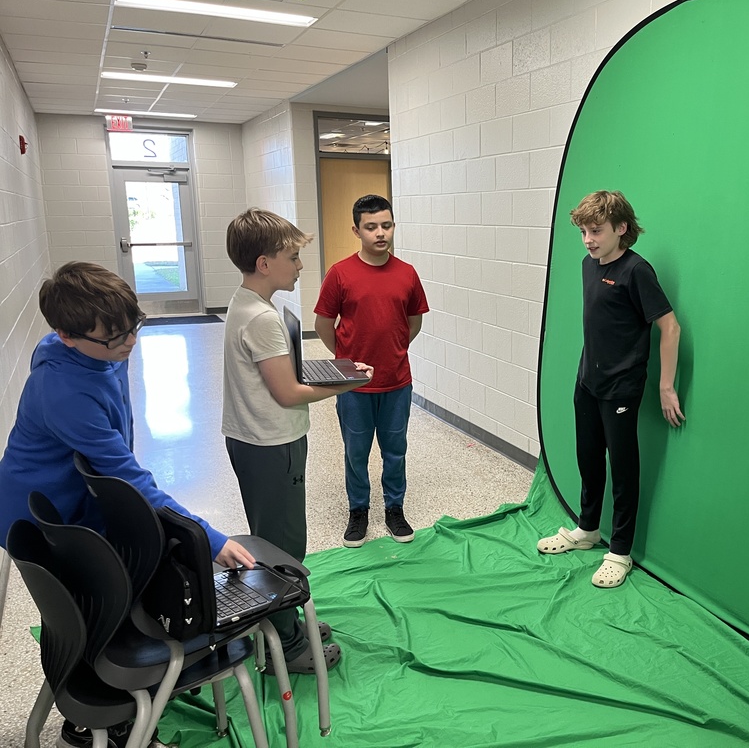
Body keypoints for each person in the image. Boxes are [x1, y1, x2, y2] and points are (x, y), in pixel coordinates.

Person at [0, 261, 255, 748]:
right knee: (88, 615)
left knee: (112, 599)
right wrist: (211, 537)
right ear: (66, 336)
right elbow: (129, 477)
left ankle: (103, 711)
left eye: (132, 328)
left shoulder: (94, 347)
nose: (128, 346)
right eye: (113, 340)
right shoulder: (64, 393)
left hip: (81, 499)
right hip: (41, 515)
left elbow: (117, 457)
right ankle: (102, 725)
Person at [222, 208, 372, 676]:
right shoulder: (263, 320)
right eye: (292, 257)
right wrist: (348, 383)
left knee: (272, 539)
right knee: (285, 548)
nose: (301, 266)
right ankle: (286, 647)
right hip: (271, 444)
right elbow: (287, 392)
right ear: (264, 263)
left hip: (251, 440)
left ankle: (280, 625)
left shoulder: (245, 303)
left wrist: (327, 374)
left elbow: (277, 377)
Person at [537, 190, 684, 588]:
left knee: (622, 468)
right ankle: (587, 530)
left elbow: (670, 327)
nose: (588, 239)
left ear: (621, 228)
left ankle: (619, 551)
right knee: (588, 457)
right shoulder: (589, 265)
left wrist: (665, 387)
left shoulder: (637, 271)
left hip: (621, 387)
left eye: (597, 230)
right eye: (583, 231)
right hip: (588, 380)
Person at [314, 194, 429, 548]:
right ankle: (358, 511)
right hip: (354, 388)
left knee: (395, 450)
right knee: (356, 452)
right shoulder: (341, 273)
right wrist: (346, 362)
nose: (381, 233)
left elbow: (413, 322)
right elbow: (322, 324)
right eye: (371, 227)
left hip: (397, 383)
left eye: (386, 225)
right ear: (356, 230)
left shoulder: (407, 274)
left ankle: (395, 509)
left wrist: (393, 350)